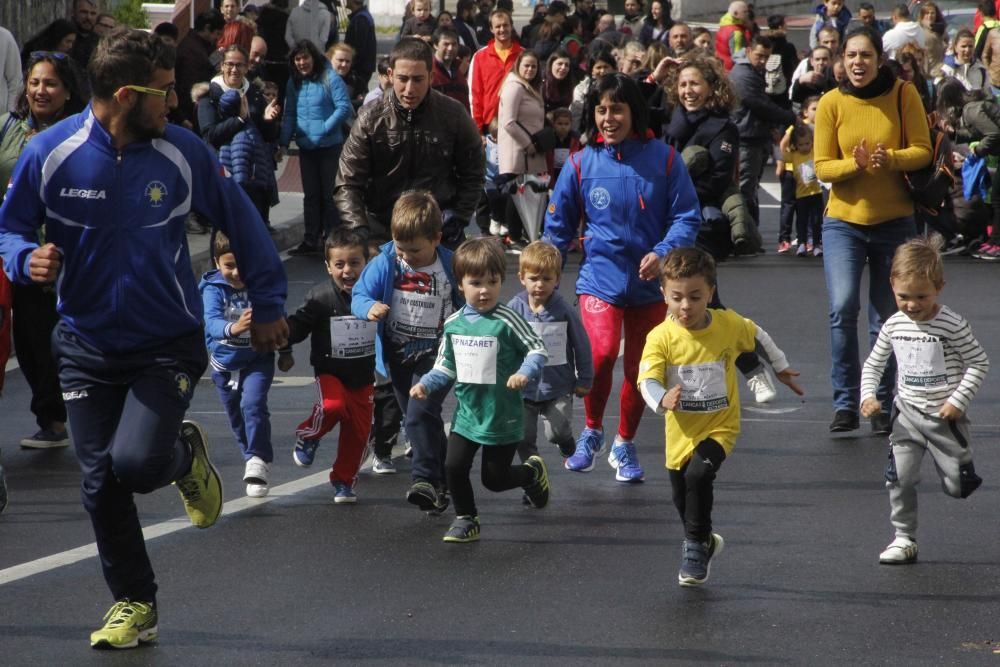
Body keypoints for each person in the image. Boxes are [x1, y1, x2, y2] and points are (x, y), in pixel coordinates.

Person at [0, 28, 288, 649]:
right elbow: (12, 227)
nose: (175, 104)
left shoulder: (181, 151)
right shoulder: (49, 152)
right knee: (100, 480)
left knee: (134, 463)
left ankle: (182, 456)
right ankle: (136, 603)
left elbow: (240, 218)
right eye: (163, 93)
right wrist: (26, 259)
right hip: (83, 344)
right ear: (126, 95)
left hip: (165, 341)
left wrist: (267, 303)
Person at [544, 73, 701, 482]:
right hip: (599, 279)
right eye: (601, 110)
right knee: (599, 354)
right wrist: (542, 278)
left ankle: (623, 443)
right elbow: (556, 230)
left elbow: (687, 216)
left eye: (617, 109)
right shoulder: (580, 162)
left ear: (634, 111)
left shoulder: (665, 158)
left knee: (640, 368)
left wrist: (663, 253)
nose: (608, 118)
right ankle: (592, 432)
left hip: (651, 286)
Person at [638, 247, 802, 586]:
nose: (686, 306)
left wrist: (781, 367)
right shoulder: (660, 338)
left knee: (698, 477)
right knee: (681, 496)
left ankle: (695, 548)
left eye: (695, 297)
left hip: (720, 427)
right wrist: (661, 398)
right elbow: (647, 379)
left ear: (711, 293)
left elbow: (756, 335)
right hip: (679, 433)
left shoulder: (727, 325)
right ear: (664, 295)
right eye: (677, 297)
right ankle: (706, 540)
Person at [814, 25, 931, 434]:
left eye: (865, 55)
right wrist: (856, 165)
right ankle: (846, 402)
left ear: (879, 59)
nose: (858, 63)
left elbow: (922, 150)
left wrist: (891, 159)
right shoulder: (831, 102)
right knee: (843, 308)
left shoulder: (903, 94)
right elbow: (822, 166)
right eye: (851, 56)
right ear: (840, 61)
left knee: (887, 319)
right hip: (843, 223)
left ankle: (879, 402)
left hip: (894, 222)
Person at [410, 237, 549, 543]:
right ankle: (466, 518)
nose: (484, 289)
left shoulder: (508, 320)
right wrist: (425, 385)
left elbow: (538, 350)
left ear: (502, 281)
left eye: (493, 281)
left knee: (495, 480)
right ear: (460, 284)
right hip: (468, 414)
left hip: (502, 415)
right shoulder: (454, 324)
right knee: (453, 466)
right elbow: (445, 366)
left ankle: (531, 473)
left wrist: (524, 373)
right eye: (476, 282)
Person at [860, 238, 989, 565]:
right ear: (892, 285)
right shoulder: (893, 325)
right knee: (898, 477)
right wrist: (868, 395)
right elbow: (875, 363)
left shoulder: (951, 324)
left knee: (957, 488)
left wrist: (958, 399)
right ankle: (904, 537)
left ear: (939, 287)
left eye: (922, 296)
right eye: (904, 296)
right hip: (906, 415)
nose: (913, 305)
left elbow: (979, 362)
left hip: (945, 419)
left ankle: (960, 470)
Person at [351, 191, 463, 515]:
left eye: (415, 250)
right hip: (399, 356)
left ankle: (424, 479)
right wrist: (369, 307)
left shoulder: (450, 264)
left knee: (417, 412)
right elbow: (360, 293)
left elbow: (470, 300)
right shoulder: (386, 262)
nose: (407, 255)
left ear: (436, 238)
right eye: (401, 247)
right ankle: (443, 485)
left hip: (438, 356)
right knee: (423, 418)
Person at [0, 52, 86, 450]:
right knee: (25, 337)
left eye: (50, 83)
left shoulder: (83, 133)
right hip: (16, 251)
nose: (40, 90)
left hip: (64, 252)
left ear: (68, 91)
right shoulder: (7, 129)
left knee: (58, 336)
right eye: (34, 83)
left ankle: (69, 415)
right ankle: (51, 416)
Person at [336, 38, 484, 249]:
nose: (409, 89)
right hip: (382, 231)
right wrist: (359, 229)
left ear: (431, 77)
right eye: (402, 79)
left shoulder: (454, 114)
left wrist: (459, 216)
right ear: (390, 76)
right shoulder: (370, 118)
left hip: (437, 232)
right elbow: (347, 182)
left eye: (417, 79)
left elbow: (475, 171)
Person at [280, 228, 376, 502]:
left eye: (355, 263)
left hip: (364, 376)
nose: (348, 271)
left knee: (359, 434)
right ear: (328, 266)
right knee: (332, 406)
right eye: (340, 264)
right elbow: (298, 326)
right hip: (330, 371)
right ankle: (309, 435)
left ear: (366, 263)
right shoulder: (320, 297)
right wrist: (281, 334)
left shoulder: (376, 294)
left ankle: (344, 481)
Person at [200, 232, 276, 498]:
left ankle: (258, 459)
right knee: (236, 417)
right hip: (224, 366)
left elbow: (278, 316)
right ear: (217, 263)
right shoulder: (212, 290)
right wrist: (234, 327)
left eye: (242, 264)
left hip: (258, 359)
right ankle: (251, 457)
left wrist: (286, 349)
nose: (236, 272)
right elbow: (211, 322)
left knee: (252, 405)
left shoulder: (261, 285)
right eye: (229, 266)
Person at [507, 240, 592, 462]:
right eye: (533, 279)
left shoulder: (563, 311)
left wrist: (584, 379)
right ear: (522, 278)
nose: (539, 285)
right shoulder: (514, 309)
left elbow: (581, 344)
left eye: (546, 279)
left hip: (558, 387)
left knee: (557, 431)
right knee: (524, 438)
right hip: (523, 390)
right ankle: (533, 480)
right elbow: (503, 344)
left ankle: (566, 441)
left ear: (557, 280)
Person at [280, 39, 351, 256]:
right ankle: (311, 239)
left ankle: (332, 241)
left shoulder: (330, 77)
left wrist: (324, 127)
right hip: (306, 147)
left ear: (314, 58)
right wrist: (283, 141)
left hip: (330, 147)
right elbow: (289, 113)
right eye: (298, 59)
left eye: (305, 58)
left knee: (330, 196)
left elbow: (344, 107)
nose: (302, 63)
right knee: (310, 196)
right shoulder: (294, 83)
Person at [198, 45, 282, 226]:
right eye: (230, 64)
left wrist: (268, 120)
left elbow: (267, 136)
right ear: (222, 66)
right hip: (224, 174)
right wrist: (240, 120)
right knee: (225, 232)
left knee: (255, 229)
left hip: (254, 174)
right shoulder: (209, 96)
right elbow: (210, 135)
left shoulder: (255, 95)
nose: (234, 69)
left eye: (239, 65)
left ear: (246, 67)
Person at [728, 36, 796, 228]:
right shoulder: (743, 74)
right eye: (759, 56)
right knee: (745, 189)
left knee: (749, 188)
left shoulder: (752, 71)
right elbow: (758, 104)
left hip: (754, 135)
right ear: (749, 51)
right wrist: (789, 117)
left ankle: (750, 233)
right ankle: (744, 233)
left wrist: (771, 126)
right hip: (746, 138)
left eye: (767, 57)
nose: (763, 61)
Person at [498, 50, 548, 250]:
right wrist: (528, 144)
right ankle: (513, 237)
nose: (530, 69)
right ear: (518, 66)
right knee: (516, 194)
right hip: (519, 151)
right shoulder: (514, 87)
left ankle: (522, 235)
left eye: (534, 66)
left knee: (525, 194)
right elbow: (508, 122)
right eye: (526, 65)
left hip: (530, 152)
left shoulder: (530, 87)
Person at [469, 8, 523, 135]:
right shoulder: (479, 56)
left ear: (511, 26)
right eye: (498, 26)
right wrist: (478, 130)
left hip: (519, 121)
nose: (502, 29)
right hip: (490, 125)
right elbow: (475, 95)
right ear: (491, 29)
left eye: (505, 25)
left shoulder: (523, 55)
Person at [176, 10, 226, 126]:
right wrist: (183, 117)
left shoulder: (203, 47)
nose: (217, 39)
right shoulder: (191, 51)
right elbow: (187, 87)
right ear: (207, 28)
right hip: (191, 112)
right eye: (217, 34)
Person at [785, 124, 823, 257]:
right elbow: (783, 149)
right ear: (795, 145)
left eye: (807, 143)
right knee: (802, 219)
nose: (805, 147)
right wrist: (789, 132)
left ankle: (817, 244)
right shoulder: (793, 155)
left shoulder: (814, 152)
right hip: (801, 194)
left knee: (817, 220)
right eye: (801, 144)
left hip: (816, 192)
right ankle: (802, 242)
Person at [569, 46, 616, 132]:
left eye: (606, 67)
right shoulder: (582, 89)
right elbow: (576, 116)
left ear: (613, 69)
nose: (602, 71)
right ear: (592, 71)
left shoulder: (619, 87)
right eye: (598, 67)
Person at [432, 27, 470, 112]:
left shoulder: (463, 69)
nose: (450, 48)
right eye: (446, 44)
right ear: (435, 45)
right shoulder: (427, 70)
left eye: (454, 44)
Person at [344, 0, 377, 88]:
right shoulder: (362, 16)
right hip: (363, 68)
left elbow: (358, 48)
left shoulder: (361, 19)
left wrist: (351, 65)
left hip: (359, 69)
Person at [715, 1, 751, 71]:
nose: (747, 14)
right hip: (731, 70)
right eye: (745, 12)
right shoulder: (736, 32)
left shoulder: (723, 26)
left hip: (721, 67)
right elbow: (738, 57)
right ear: (735, 13)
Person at [69, 0, 99, 70]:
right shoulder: (63, 37)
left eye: (93, 13)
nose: (89, 17)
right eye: (84, 12)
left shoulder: (100, 43)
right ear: (73, 12)